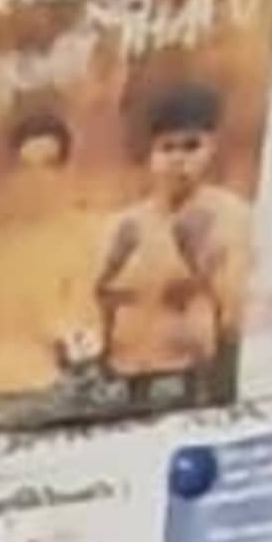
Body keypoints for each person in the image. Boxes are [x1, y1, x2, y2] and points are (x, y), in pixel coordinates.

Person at [93, 77, 255, 408]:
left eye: (191, 146)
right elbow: (88, 311)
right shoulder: (122, 226)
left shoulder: (232, 216)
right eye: (167, 148)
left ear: (212, 148)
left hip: (192, 381)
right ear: (150, 155)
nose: (179, 159)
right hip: (121, 382)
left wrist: (200, 259)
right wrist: (109, 268)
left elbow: (238, 317)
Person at [0, 93, 98, 422]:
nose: (37, 179)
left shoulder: (78, 240)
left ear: (63, 171)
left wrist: (73, 334)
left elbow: (84, 327)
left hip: (49, 390)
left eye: (49, 166)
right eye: (26, 167)